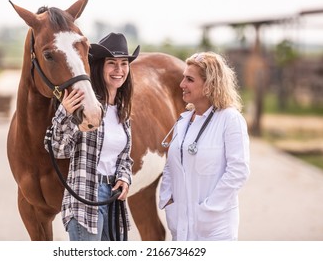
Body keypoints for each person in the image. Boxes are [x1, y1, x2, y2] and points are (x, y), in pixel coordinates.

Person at [44, 32, 140, 241]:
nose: (119, 70)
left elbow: (124, 157)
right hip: (86, 199)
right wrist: (64, 113)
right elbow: (58, 149)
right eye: (112, 63)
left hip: (114, 199)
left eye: (124, 63)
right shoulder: (85, 108)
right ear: (99, 67)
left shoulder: (122, 112)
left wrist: (124, 177)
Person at [159, 51, 250, 241]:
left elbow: (238, 171)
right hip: (181, 225)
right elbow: (170, 166)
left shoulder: (230, 119)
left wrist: (208, 210)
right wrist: (168, 200)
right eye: (184, 78)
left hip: (214, 226)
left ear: (209, 85)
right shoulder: (183, 121)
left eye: (189, 79)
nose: (182, 84)